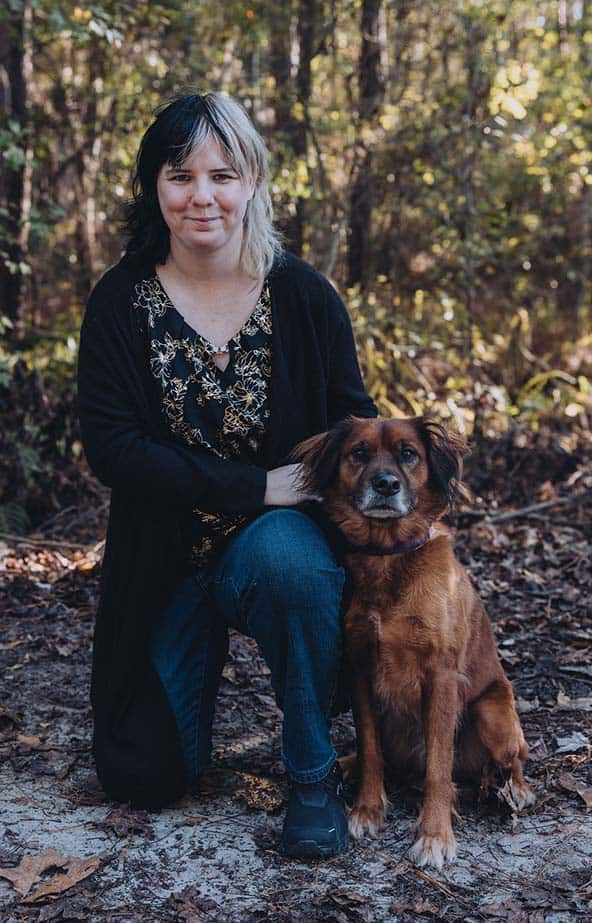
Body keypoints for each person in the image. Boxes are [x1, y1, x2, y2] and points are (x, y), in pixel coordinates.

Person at [77, 91, 377, 859]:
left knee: (283, 555)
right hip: (165, 556)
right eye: (180, 175)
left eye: (222, 173)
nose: (201, 196)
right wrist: (255, 485)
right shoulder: (120, 301)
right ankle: (189, 691)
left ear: (252, 181)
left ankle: (311, 779)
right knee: (142, 773)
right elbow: (111, 447)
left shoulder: (303, 296)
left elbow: (356, 426)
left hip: (281, 550)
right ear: (155, 186)